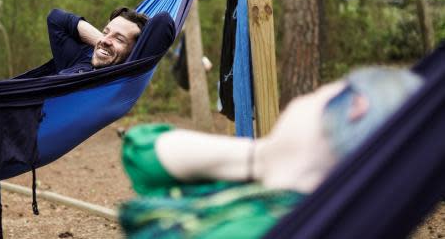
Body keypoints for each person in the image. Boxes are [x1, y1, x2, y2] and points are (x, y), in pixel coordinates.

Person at [119, 67, 424, 238]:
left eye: (324, 88)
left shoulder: (254, 227)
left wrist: (264, 156)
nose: (306, 96)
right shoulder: (282, 202)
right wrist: (264, 158)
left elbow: (144, 150)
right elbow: (143, 154)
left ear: (356, 107)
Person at [46, 7, 148, 74]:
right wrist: (102, 43)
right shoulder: (81, 61)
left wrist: (109, 49)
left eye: (119, 39)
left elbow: (163, 20)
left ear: (135, 51)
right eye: (105, 32)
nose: (105, 40)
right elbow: (55, 18)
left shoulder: (120, 85)